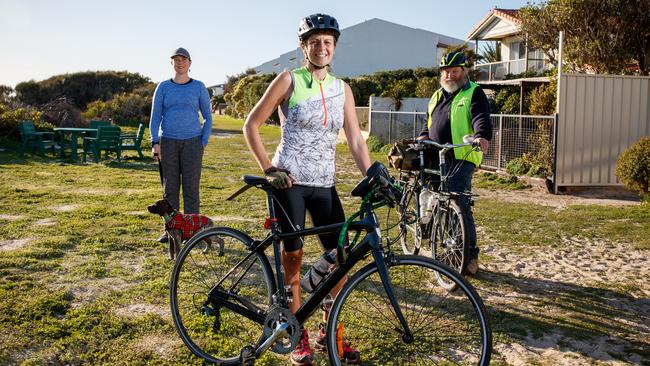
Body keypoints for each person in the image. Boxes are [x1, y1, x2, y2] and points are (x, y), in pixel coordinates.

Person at [243, 13, 370, 366]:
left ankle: (333, 332)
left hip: (325, 184)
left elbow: (356, 140)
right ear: (304, 46)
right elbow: (251, 125)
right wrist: (269, 169)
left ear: (334, 47)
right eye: (315, 42)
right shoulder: (289, 80)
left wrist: (373, 172)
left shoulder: (341, 88)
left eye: (328, 42)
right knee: (294, 264)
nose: (322, 47)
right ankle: (296, 334)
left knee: (340, 261)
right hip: (291, 184)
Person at [418, 50, 492, 275]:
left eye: (454, 71)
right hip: (435, 155)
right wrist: (423, 135)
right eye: (446, 71)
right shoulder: (437, 96)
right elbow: (428, 121)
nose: (449, 75)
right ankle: (444, 247)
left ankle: (468, 258)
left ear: (463, 71)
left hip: (461, 156)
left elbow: (481, 117)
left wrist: (481, 136)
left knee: (458, 204)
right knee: (435, 200)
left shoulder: (473, 92)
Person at [150, 47, 212, 243]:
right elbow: (155, 117)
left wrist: (203, 141)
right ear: (172, 63)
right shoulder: (163, 87)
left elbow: (208, 117)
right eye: (176, 60)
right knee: (170, 188)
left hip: (193, 143)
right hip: (168, 142)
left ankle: (193, 231)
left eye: (183, 59)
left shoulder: (199, 87)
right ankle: (170, 231)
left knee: (191, 188)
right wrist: (155, 141)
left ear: (190, 63)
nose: (180, 63)